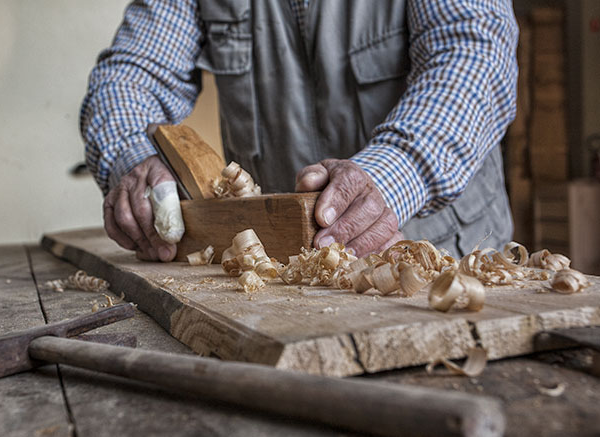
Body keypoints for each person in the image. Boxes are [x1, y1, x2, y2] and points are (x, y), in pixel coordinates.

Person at [80, 0, 518, 262]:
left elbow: (474, 54)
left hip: (443, 257)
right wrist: (132, 159)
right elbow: (133, 73)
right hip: (276, 268)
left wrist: (390, 178)